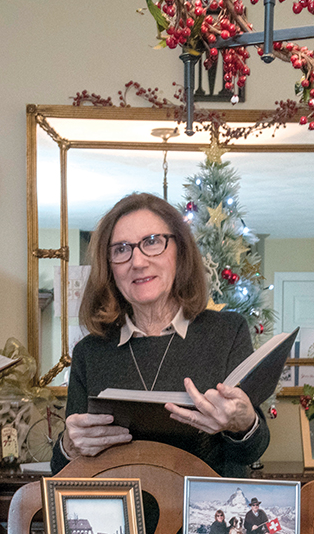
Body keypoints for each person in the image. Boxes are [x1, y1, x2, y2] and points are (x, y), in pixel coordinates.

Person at [49, 192, 269, 476]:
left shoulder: (227, 333)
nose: (137, 261)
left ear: (180, 252)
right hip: (119, 516)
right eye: (121, 249)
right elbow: (62, 469)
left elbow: (253, 449)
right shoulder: (90, 352)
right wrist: (70, 444)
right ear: (109, 267)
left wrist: (242, 422)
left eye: (152, 242)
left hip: (204, 515)